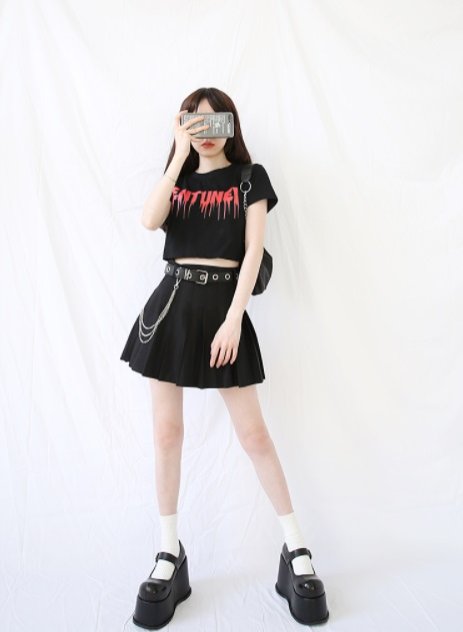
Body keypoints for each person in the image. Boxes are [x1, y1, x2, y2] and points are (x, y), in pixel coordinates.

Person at [120, 87, 329, 628]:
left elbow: (253, 250)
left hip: (223, 308)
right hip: (170, 308)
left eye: (216, 123)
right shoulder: (179, 177)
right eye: (196, 123)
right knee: (167, 434)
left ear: (232, 127)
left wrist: (234, 317)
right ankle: (168, 551)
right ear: (184, 126)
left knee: (254, 436)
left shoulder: (250, 178)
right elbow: (149, 221)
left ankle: (296, 548)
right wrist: (177, 154)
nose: (206, 132)